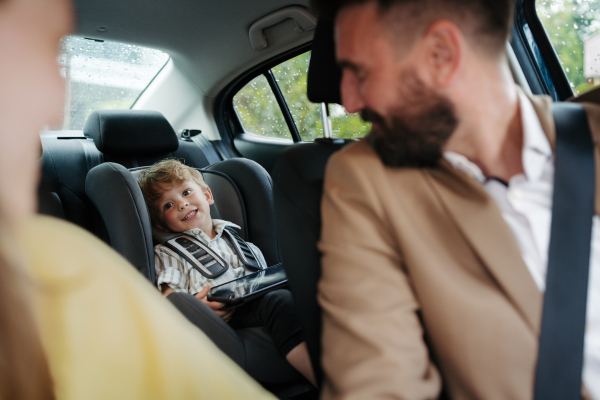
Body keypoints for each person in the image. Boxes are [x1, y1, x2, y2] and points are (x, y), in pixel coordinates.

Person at [316, 0, 600, 399]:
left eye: (359, 72)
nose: (349, 102)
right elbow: (377, 383)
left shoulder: (590, 132)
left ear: (442, 54)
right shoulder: (366, 181)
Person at [0, 0, 278, 398]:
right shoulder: (64, 264)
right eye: (30, 52)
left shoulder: (66, 256)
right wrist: (175, 299)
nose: (54, 99)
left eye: (58, 58)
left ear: (208, 194)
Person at [138, 159, 316, 386]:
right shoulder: (168, 253)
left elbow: (265, 281)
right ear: (161, 225)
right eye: (168, 206)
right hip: (217, 320)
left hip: (257, 305)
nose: (182, 204)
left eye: (186, 192)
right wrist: (196, 308)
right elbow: (169, 297)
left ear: (208, 195)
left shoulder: (244, 245)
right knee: (279, 301)